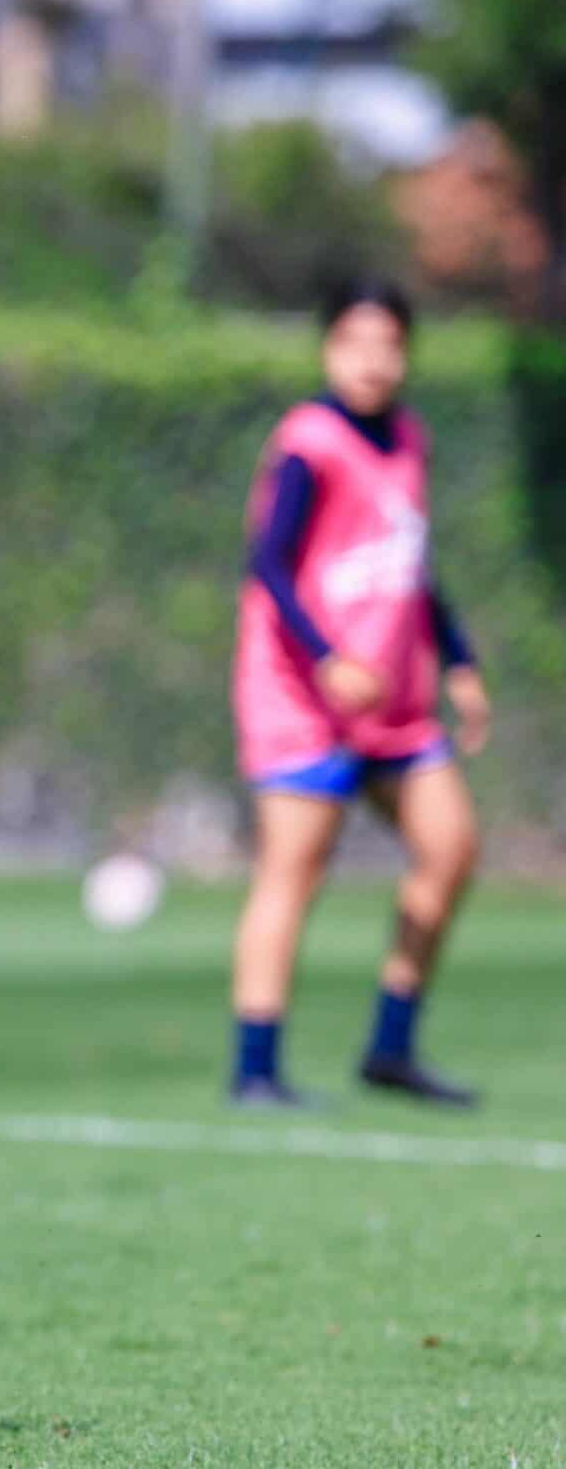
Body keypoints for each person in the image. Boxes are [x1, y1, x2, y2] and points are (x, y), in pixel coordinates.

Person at [228, 279, 489, 1109]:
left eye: (390, 345)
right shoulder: (308, 440)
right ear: (328, 348)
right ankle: (257, 1068)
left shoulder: (409, 438)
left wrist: (459, 658)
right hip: (303, 698)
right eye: (355, 342)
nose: (373, 361)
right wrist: (326, 657)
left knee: (451, 850)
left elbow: (413, 564)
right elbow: (268, 563)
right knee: (293, 871)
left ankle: (391, 1047)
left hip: (396, 702)